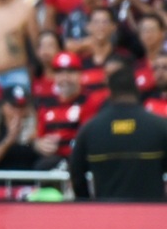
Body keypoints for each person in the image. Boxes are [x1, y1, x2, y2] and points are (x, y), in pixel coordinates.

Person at [69, 65, 167, 201]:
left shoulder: (89, 130)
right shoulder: (161, 126)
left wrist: (88, 203)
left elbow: (76, 173)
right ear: (136, 89)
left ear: (109, 91)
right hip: (151, 215)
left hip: (106, 215)